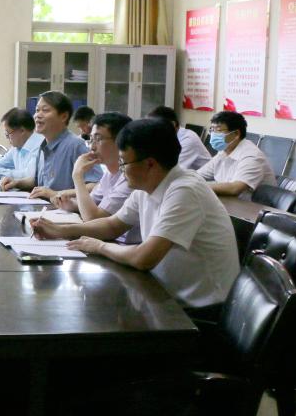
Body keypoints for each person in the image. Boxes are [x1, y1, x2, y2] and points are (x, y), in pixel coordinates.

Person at [31, 118, 239, 315]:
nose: (121, 170)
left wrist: (99, 247)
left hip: (199, 309)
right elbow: (112, 225)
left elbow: (144, 258)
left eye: (123, 162)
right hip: (163, 294)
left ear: (150, 164)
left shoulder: (185, 191)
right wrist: (60, 230)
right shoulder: (147, 186)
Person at [38, 112, 138, 242]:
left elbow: (92, 218)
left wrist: (77, 176)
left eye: (98, 139)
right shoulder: (109, 174)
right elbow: (91, 204)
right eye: (91, 139)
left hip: (123, 244)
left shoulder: (131, 179)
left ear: (120, 141)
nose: (92, 147)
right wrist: (70, 204)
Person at [2, 91, 100, 192]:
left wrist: (57, 194)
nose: (37, 115)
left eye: (45, 110)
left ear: (64, 116)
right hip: (41, 202)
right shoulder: (43, 146)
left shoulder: (75, 145)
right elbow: (37, 181)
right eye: (37, 110)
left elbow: (96, 185)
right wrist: (16, 182)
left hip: (64, 203)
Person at [196, 110, 276, 199]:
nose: (213, 134)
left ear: (236, 134)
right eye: (212, 130)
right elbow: (197, 176)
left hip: (252, 206)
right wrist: (188, 180)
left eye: (218, 130)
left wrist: (198, 185)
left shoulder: (252, 156)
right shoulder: (224, 152)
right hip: (230, 203)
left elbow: (234, 188)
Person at [0, 108, 43, 182]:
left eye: (8, 133)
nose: (7, 137)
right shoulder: (17, 147)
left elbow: (28, 176)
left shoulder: (40, 146)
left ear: (22, 131)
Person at [147, 105, 212, 170]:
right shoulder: (168, 137)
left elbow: (172, 170)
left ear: (172, 124)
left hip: (203, 176)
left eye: (158, 128)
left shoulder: (188, 139)